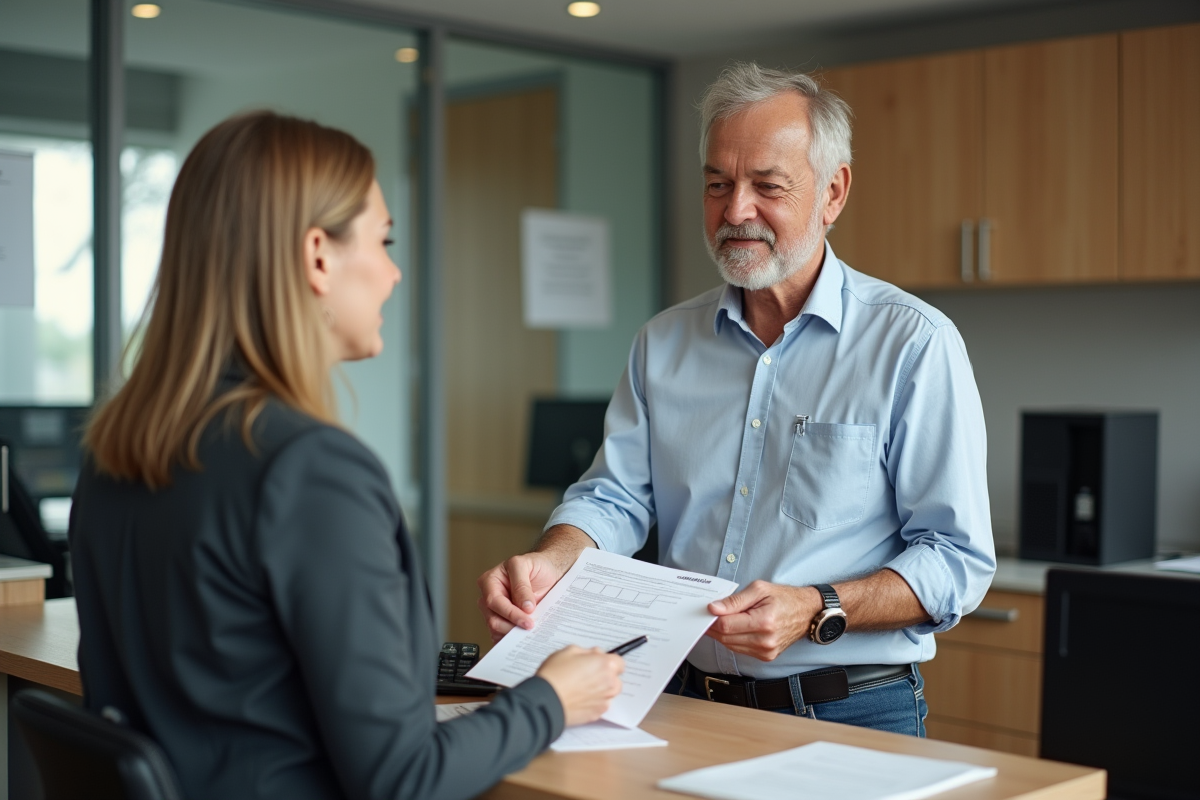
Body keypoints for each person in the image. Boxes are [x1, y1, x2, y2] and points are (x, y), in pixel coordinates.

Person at [70, 111, 624, 800]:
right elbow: (402, 777)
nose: (394, 273)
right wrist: (551, 698)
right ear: (317, 256)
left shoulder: (115, 449)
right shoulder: (309, 470)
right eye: (383, 240)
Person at [478, 63, 995, 736]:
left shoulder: (913, 344)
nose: (735, 211)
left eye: (767, 186)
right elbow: (616, 499)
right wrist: (553, 560)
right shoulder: (662, 343)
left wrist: (818, 605)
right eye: (718, 184)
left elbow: (955, 559)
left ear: (832, 192)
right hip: (682, 702)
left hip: (849, 710)